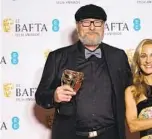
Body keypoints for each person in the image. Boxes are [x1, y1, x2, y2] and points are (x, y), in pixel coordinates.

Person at [35, 4, 132, 139]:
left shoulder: (118, 56)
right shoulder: (57, 57)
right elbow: (40, 95)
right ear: (77, 26)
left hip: (110, 134)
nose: (92, 27)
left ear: (104, 26)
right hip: (70, 135)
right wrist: (54, 96)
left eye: (97, 22)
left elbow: (132, 91)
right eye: (86, 22)